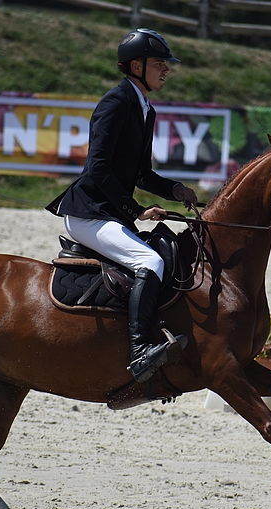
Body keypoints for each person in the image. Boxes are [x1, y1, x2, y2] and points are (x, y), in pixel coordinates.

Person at [46, 28, 198, 383]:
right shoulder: (115, 103)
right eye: (160, 63)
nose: (166, 69)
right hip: (87, 212)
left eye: (166, 64)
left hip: (107, 212)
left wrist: (175, 189)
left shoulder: (146, 110)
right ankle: (141, 352)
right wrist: (137, 211)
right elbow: (97, 168)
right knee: (151, 260)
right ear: (136, 65)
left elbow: (141, 173)